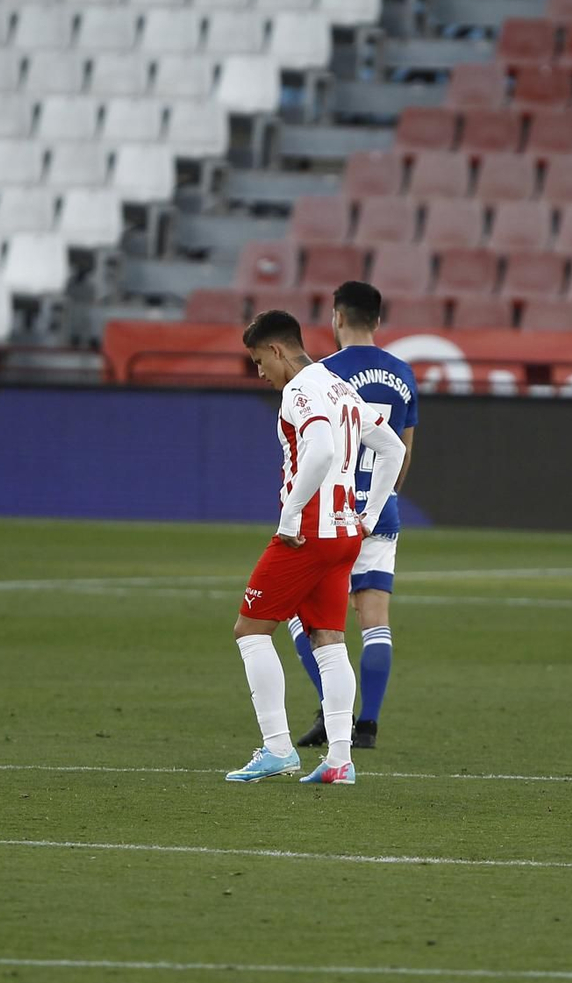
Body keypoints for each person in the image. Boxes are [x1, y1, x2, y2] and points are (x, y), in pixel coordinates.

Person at [226, 310, 406, 786]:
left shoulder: (301, 389)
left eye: (259, 360)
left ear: (277, 349)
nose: (259, 372)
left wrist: (290, 514)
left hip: (308, 532)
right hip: (346, 531)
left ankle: (277, 748)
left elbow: (322, 449)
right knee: (328, 639)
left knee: (250, 630)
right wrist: (368, 514)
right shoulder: (340, 386)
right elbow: (393, 449)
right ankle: (341, 759)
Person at [290, 281, 418, 751]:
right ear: (378, 321)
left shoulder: (323, 375)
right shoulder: (403, 374)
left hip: (334, 513)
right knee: (376, 621)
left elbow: (316, 447)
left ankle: (333, 711)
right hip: (382, 512)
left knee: (306, 617)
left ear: (336, 317)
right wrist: (383, 499)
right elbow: (403, 451)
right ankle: (367, 726)